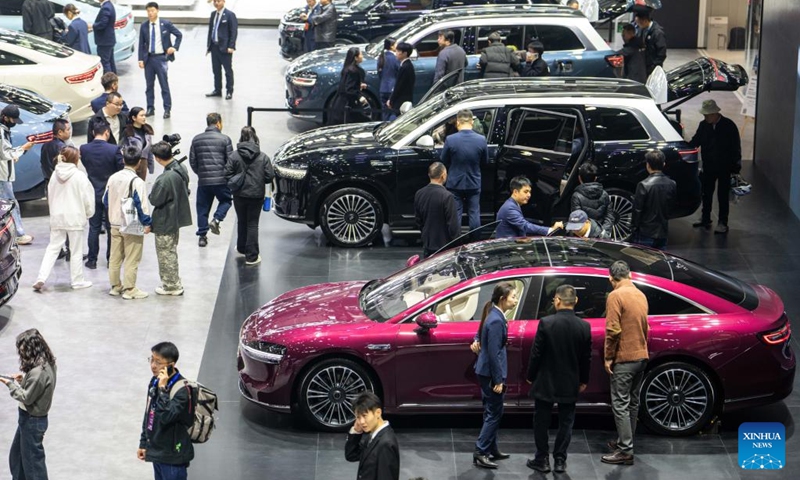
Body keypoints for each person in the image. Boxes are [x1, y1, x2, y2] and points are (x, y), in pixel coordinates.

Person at [526, 284, 591, 474]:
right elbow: (586, 358)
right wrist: (583, 380)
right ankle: (560, 460)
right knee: (566, 422)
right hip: (570, 381)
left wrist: (530, 375)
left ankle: (542, 459)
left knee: (541, 421)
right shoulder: (584, 326)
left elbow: (536, 353)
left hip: (546, 381)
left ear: (557, 300)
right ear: (575, 301)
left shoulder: (546, 323)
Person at [601, 260, 649, 466]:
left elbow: (613, 330)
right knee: (633, 402)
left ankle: (625, 450)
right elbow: (645, 327)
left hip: (625, 357)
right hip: (641, 356)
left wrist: (608, 357)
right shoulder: (640, 294)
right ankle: (625, 441)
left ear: (611, 278)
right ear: (630, 275)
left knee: (620, 404)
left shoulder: (615, 295)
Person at [33, 146, 94, 292]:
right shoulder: (79, 176)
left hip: (57, 217)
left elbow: (50, 196)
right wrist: (88, 213)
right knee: (76, 250)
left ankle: (41, 277)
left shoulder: (54, 175)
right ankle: (77, 281)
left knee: (52, 248)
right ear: (75, 159)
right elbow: (88, 199)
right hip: (75, 217)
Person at [0, 329, 57, 480]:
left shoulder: (38, 372)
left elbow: (26, 397)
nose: (21, 354)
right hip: (29, 420)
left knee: (33, 466)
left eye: (23, 350)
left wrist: (9, 384)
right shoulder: (47, 364)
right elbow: (36, 387)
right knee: (17, 458)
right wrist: (23, 380)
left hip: (32, 421)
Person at [473, 282, 518, 469]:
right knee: (494, 413)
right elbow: (494, 353)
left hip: (485, 372)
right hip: (491, 374)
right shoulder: (496, 320)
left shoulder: (493, 314)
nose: (516, 300)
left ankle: (492, 447)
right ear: (502, 299)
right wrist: (498, 380)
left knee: (490, 411)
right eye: (513, 296)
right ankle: (481, 451)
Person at [138, 342, 195, 480]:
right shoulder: (155, 381)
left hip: (173, 457)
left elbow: (167, 416)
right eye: (152, 359)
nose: (153, 365)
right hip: (157, 452)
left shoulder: (183, 390)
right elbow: (149, 413)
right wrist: (144, 443)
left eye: (158, 362)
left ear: (171, 365)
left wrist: (163, 390)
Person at [104, 143, 152, 300]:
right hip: (131, 224)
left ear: (123, 160)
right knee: (132, 257)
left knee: (115, 257)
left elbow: (105, 200)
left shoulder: (113, 177)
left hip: (114, 222)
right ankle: (130, 289)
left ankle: (115, 286)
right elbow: (141, 205)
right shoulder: (137, 181)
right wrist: (147, 223)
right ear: (139, 162)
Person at [689, 99, 742, 234]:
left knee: (722, 196)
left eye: (707, 115)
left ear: (715, 113)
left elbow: (736, 147)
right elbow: (696, 140)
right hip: (708, 166)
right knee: (706, 194)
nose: (705, 117)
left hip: (725, 167)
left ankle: (723, 222)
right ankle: (705, 218)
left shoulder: (729, 125)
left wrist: (736, 167)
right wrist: (686, 147)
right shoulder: (703, 125)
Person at [223, 126, 274, 266]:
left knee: (241, 221)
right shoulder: (263, 157)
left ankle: (241, 248)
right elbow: (269, 176)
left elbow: (227, 174)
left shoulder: (234, 155)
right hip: (256, 195)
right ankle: (251, 256)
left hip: (239, 195)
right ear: (255, 137)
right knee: (252, 224)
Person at [149, 141, 191, 296]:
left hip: (165, 219)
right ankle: (174, 282)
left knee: (165, 254)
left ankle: (171, 286)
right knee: (171, 250)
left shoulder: (165, 178)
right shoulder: (181, 168)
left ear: (158, 158)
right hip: (175, 216)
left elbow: (154, 199)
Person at [81, 123, 123, 269]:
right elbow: (120, 169)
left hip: (92, 192)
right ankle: (111, 259)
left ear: (93, 133)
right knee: (111, 227)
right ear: (107, 132)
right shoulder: (114, 149)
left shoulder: (84, 149)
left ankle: (92, 260)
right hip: (110, 193)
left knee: (94, 227)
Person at [189, 112, 233, 247]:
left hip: (204, 181)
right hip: (221, 180)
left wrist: (201, 173)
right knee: (226, 200)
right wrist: (225, 175)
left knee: (202, 208)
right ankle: (217, 219)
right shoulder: (225, 139)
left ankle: (202, 237)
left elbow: (193, 161)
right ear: (218, 123)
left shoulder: (196, 139)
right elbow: (230, 161)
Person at [441, 109, 487, 235]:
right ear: (472, 122)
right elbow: (485, 161)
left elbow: (443, 160)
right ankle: (475, 241)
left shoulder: (450, 139)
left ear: (458, 122)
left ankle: (455, 241)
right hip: (474, 182)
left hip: (455, 182)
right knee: (474, 213)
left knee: (455, 213)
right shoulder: (481, 139)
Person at [139, 2, 183, 120]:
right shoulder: (144, 26)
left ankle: (167, 109)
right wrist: (140, 59)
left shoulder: (165, 24)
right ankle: (150, 107)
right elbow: (141, 43)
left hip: (161, 58)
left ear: (157, 11)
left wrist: (174, 47)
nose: (150, 13)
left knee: (164, 85)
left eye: (152, 11)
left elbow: (179, 35)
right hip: (149, 59)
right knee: (149, 85)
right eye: (148, 11)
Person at [344, 392, 400, 480]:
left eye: (364, 416)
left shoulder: (386, 444)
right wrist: (356, 432)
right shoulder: (373, 435)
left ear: (378, 413)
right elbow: (351, 455)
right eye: (358, 417)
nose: (361, 422)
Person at [0, 105, 34, 245]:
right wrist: (23, 149)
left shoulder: (4, 129)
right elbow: (5, 153)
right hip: (2, 176)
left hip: (3, 173)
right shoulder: (1, 131)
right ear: (5, 117)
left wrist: (13, 155)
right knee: (10, 205)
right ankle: (18, 234)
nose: (14, 122)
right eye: (13, 119)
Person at [414, 162, 459, 258]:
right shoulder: (447, 196)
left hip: (428, 244)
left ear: (429, 175)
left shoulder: (419, 194)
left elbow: (418, 220)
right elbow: (453, 226)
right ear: (443, 175)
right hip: (444, 247)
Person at [632, 150, 675, 249]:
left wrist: (634, 229)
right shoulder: (672, 184)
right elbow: (671, 208)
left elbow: (637, 210)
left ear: (648, 165)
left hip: (645, 232)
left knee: (643, 257)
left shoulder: (643, 185)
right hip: (663, 232)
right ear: (663, 164)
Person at [496, 176, 562, 238]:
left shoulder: (512, 204)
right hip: (508, 245)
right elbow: (525, 226)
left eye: (529, 192)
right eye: (526, 192)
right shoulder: (510, 208)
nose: (529, 195)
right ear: (515, 192)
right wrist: (550, 230)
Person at [329, 47, 370, 125]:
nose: (362, 56)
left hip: (341, 103)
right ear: (355, 57)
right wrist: (359, 96)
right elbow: (349, 89)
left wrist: (359, 85)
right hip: (349, 104)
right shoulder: (353, 71)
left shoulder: (347, 68)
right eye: (361, 54)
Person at [206, 0, 238, 100]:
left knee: (228, 71)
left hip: (225, 47)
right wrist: (208, 46)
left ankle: (229, 91)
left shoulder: (230, 15)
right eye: (215, 1)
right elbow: (211, 30)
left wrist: (231, 46)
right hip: (214, 47)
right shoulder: (213, 14)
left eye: (218, 1)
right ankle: (217, 90)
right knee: (216, 70)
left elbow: (233, 31)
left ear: (224, 1)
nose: (216, 3)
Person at [571, 163, 612, 230]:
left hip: (584, 233)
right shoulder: (604, 194)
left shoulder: (576, 196)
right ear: (595, 178)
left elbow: (577, 220)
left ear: (579, 178)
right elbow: (609, 216)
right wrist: (603, 232)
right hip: (601, 232)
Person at [122, 107, 155, 181]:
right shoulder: (128, 131)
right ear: (134, 118)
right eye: (141, 115)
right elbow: (123, 148)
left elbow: (149, 150)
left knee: (140, 184)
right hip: (131, 163)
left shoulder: (147, 131)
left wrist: (151, 166)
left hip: (143, 163)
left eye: (144, 115)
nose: (144, 117)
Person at [39, 119, 71, 187]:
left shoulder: (45, 145)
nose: (69, 132)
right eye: (68, 130)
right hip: (60, 183)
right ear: (60, 132)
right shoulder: (62, 148)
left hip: (49, 182)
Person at [634, 10, 667, 76]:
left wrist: (655, 65)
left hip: (653, 67)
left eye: (639, 23)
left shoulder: (657, 33)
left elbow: (661, 52)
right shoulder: (642, 29)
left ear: (645, 21)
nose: (638, 25)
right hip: (644, 64)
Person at [387, 42, 415, 115]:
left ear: (405, 53)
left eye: (398, 51)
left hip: (402, 101)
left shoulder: (405, 67)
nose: (396, 53)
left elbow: (398, 86)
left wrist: (391, 99)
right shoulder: (407, 65)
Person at [378, 37, 399, 121]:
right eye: (396, 44)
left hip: (383, 88)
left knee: (385, 112)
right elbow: (398, 72)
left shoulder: (381, 57)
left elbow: (380, 73)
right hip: (392, 88)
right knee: (393, 111)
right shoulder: (394, 58)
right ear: (391, 46)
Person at [94, 0, 118, 74]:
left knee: (105, 63)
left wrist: (93, 26)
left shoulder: (106, 7)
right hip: (109, 40)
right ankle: (113, 79)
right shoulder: (109, 5)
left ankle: (108, 80)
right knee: (110, 61)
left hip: (104, 41)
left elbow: (103, 24)